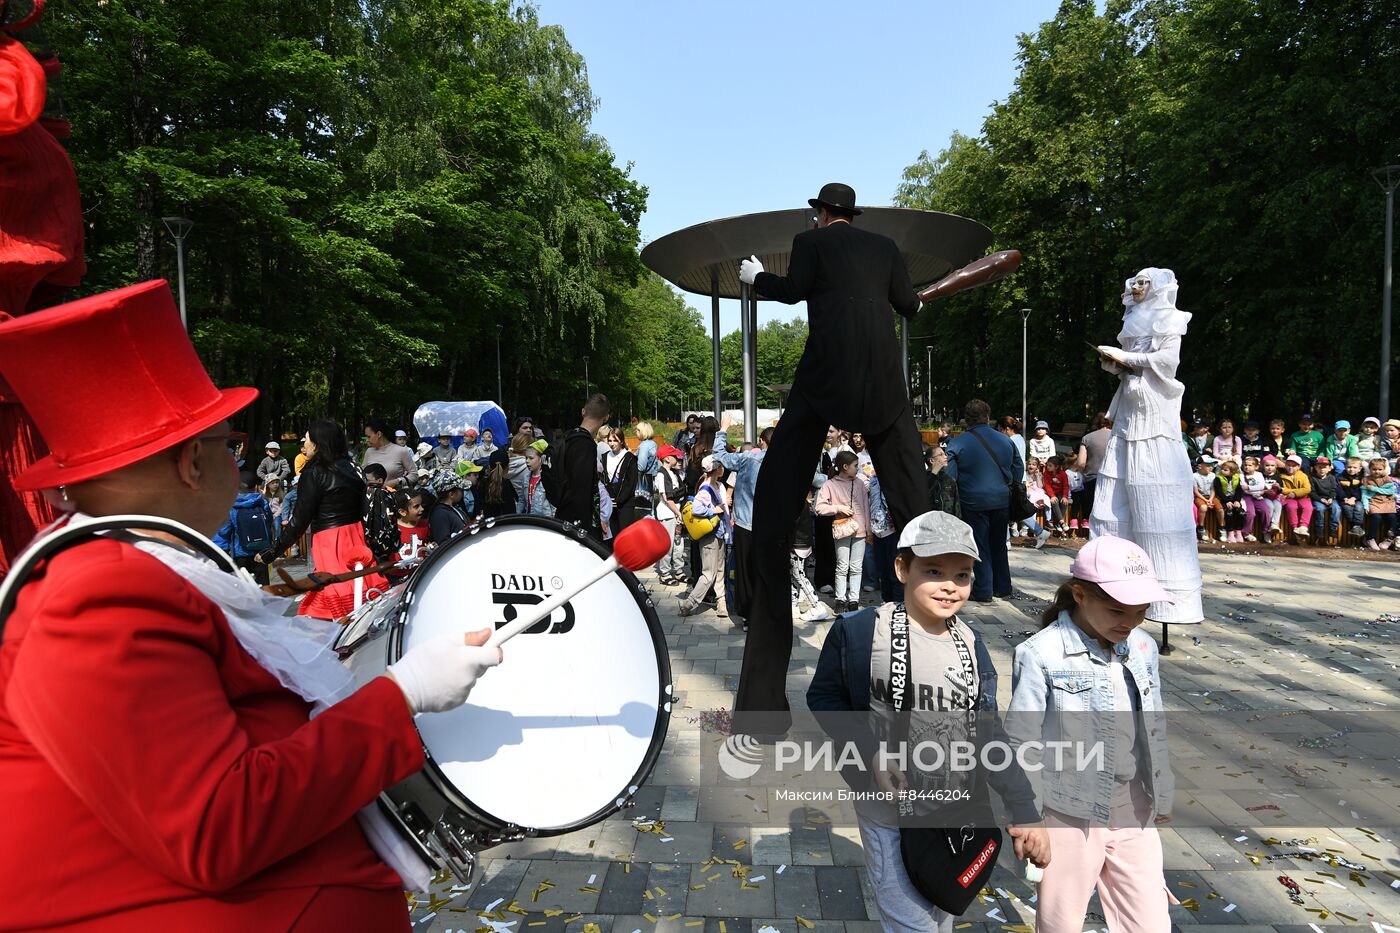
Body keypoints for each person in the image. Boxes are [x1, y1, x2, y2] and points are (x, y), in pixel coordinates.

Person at [0, 280, 503, 930]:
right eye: (226, 446)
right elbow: (214, 824)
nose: (235, 463)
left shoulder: (130, 573)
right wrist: (399, 693)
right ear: (191, 464)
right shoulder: (98, 597)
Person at [734, 182, 929, 736]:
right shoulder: (886, 249)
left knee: (774, 507)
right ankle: (935, 649)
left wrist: (757, 280)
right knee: (918, 505)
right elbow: (911, 305)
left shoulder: (810, 241)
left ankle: (763, 706)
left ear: (821, 214)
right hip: (884, 385)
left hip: (826, 376)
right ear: (853, 214)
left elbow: (794, 290)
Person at [807, 511, 1049, 933]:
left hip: (956, 813)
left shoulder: (972, 643)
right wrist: (870, 754)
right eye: (933, 570)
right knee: (912, 923)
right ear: (902, 568)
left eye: (963, 575)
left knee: (940, 914)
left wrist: (1024, 809)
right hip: (889, 813)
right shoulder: (863, 632)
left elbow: (989, 732)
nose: (949, 586)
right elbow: (824, 697)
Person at [1007, 535, 1174, 932]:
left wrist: (1161, 789)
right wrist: (1028, 817)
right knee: (1061, 922)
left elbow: (1154, 722)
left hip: (1133, 805)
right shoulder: (1041, 653)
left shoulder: (1144, 647)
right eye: (1117, 610)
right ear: (1080, 595)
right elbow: (1021, 741)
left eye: (1141, 612)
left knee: (1150, 922)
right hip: (1069, 811)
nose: (1130, 622)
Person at [1090, 267, 1203, 627]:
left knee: (1157, 504)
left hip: (1155, 411)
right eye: (1134, 282)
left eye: (1143, 283)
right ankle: (1109, 584)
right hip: (1129, 411)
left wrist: (1127, 359)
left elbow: (1166, 363)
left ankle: (1168, 600)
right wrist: (1116, 364)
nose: (1136, 288)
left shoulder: (1171, 319)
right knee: (1112, 503)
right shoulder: (1133, 320)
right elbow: (1132, 369)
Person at [260, 421, 389, 619]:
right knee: (360, 591)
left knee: (335, 595)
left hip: (331, 541)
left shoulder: (314, 472)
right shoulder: (353, 466)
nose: (305, 445)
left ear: (319, 443)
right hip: (356, 535)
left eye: (308, 440)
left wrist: (274, 550)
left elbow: (300, 520)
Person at [944, 399, 1023, 603]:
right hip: (1001, 499)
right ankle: (1003, 586)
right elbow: (1018, 469)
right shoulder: (1006, 440)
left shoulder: (958, 443)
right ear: (988, 417)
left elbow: (950, 475)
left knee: (980, 545)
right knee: (998, 544)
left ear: (966, 420)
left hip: (973, 501)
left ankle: (984, 589)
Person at [713, 420, 770, 623]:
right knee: (766, 571)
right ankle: (765, 613)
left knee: (745, 572)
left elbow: (720, 456)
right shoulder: (784, 461)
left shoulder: (748, 458)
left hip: (746, 523)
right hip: (771, 526)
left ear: (762, 442)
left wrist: (723, 431)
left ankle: (748, 615)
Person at [814, 450, 870, 614]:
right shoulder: (830, 484)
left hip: (859, 529)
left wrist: (868, 530)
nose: (857, 469)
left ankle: (854, 599)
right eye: (855, 466)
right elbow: (819, 507)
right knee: (842, 566)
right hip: (841, 529)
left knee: (856, 567)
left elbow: (865, 507)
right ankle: (840, 599)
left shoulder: (859, 483)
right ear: (845, 467)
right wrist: (838, 508)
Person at [678, 455, 729, 619]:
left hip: (719, 533)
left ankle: (722, 603)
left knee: (720, 570)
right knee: (709, 573)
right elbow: (697, 509)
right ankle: (689, 603)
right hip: (709, 535)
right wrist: (713, 511)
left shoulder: (717, 485)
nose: (724, 469)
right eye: (721, 466)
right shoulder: (706, 488)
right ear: (716, 469)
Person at [552, 394, 610, 537]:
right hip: (577, 526)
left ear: (583, 411)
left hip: (562, 516)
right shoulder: (585, 445)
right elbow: (581, 490)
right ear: (606, 418)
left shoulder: (568, 438)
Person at [213, 476, 278, 585]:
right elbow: (269, 521)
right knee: (264, 586)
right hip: (261, 551)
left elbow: (224, 531)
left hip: (240, 552)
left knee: (244, 587)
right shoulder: (262, 503)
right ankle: (266, 601)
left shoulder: (231, 505)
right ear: (256, 487)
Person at [653, 445, 687, 584]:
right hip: (668, 513)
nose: (677, 458)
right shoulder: (661, 474)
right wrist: (677, 513)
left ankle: (679, 570)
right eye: (674, 456)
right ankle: (665, 573)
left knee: (679, 543)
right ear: (667, 458)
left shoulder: (674, 472)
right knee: (668, 544)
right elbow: (667, 497)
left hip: (677, 512)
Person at [600, 426, 638, 537]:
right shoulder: (605, 456)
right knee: (611, 536)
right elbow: (604, 479)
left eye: (615, 440)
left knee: (625, 536)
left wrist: (619, 500)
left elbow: (631, 483)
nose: (612, 444)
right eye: (610, 441)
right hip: (609, 501)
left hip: (625, 503)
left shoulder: (630, 458)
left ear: (621, 440)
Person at [360, 419, 416, 488]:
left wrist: (397, 481)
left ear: (379, 434)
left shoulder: (401, 451)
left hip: (394, 496)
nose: (367, 440)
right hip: (371, 496)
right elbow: (361, 475)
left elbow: (414, 475)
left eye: (369, 437)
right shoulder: (369, 451)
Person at [1362, 457, 1397, 551]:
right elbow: (1364, 494)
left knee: (1392, 517)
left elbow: (1390, 491)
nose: (1377, 471)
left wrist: (1374, 489)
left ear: (1384, 469)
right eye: (1374, 469)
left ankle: (1389, 538)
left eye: (1380, 469)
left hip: (1387, 501)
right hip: (1374, 501)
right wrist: (1366, 506)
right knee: (1376, 517)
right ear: (1370, 469)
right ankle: (1370, 538)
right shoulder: (1366, 479)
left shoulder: (1387, 479)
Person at [428, 470, 471, 544]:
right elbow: (443, 543)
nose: (463, 492)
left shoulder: (453, 508)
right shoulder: (440, 514)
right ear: (451, 494)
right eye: (461, 489)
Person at [476, 448, 519, 519]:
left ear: (489, 466)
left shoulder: (482, 483)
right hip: (505, 525)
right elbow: (511, 509)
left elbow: (479, 507)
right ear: (507, 467)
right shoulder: (506, 484)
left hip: (488, 525)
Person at [1280, 454, 1314, 541]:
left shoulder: (1303, 476)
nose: (1290, 468)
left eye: (1294, 466)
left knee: (1308, 507)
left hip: (1303, 497)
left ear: (1299, 467)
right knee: (1291, 507)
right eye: (1288, 465)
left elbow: (1307, 489)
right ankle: (1295, 527)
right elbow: (1282, 489)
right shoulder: (1282, 476)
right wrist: (1290, 492)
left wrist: (1294, 493)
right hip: (1289, 498)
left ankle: (1303, 526)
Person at [1309, 457, 1341, 544]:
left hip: (1330, 498)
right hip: (1318, 499)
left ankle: (1333, 528)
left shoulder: (1332, 478)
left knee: (1336, 508)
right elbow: (1312, 492)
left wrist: (1331, 498)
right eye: (1319, 467)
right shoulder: (1312, 478)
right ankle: (1319, 530)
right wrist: (1320, 499)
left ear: (1329, 468)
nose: (1322, 469)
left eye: (1325, 467)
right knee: (1319, 509)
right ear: (1315, 468)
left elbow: (1334, 490)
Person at [1192, 455, 1222, 542]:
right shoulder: (1194, 476)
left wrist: (1211, 499)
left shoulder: (1213, 475)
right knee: (1203, 507)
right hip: (1200, 497)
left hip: (1211, 497)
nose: (1211, 467)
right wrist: (1206, 501)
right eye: (1208, 465)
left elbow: (1213, 489)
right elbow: (1196, 492)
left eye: (1212, 465)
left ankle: (1222, 527)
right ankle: (1201, 528)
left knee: (1220, 509)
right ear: (1200, 466)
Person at [1214, 459, 1246, 543]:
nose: (1222, 471)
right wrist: (1226, 501)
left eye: (1225, 470)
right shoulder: (1218, 478)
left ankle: (1238, 532)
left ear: (1232, 472)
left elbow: (1239, 490)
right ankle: (1230, 532)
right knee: (1229, 513)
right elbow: (1219, 491)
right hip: (1224, 499)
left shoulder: (1237, 477)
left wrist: (1237, 501)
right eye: (1222, 469)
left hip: (1234, 499)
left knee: (1240, 512)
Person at [633, 421, 660, 521]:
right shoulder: (653, 444)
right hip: (651, 478)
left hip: (643, 481)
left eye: (637, 430)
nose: (636, 432)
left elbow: (641, 466)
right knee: (650, 507)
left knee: (644, 509)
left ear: (642, 432)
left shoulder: (644, 446)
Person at [520, 443, 554, 517]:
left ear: (541, 459)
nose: (527, 461)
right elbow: (522, 501)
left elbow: (553, 505)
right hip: (530, 520)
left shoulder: (548, 479)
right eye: (526, 458)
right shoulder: (526, 478)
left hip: (545, 522)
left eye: (531, 458)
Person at [1240, 456, 1270, 542]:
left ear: (1256, 467)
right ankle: (1246, 532)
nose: (1247, 467)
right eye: (1245, 465)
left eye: (1250, 465)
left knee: (1265, 511)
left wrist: (1249, 487)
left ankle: (1266, 531)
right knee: (1250, 513)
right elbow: (1243, 488)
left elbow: (1261, 486)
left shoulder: (1259, 474)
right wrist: (1254, 489)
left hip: (1258, 496)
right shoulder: (1241, 475)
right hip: (1247, 497)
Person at [1042, 455, 1071, 535]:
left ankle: (1059, 523)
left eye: (1050, 465)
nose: (1047, 467)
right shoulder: (1046, 474)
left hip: (1060, 493)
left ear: (1056, 466)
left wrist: (1065, 496)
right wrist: (1052, 495)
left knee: (1064, 501)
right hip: (1050, 493)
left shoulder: (1063, 474)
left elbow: (1066, 486)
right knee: (1054, 501)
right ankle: (1062, 522)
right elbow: (1047, 486)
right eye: (1047, 465)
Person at [1339, 456, 1367, 537]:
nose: (1351, 469)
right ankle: (1355, 526)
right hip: (1344, 499)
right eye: (1349, 467)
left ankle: (1357, 525)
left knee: (1359, 507)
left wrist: (1354, 498)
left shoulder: (1361, 478)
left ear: (1360, 468)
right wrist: (1345, 498)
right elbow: (1338, 489)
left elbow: (1361, 489)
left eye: (1355, 467)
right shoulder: (1340, 477)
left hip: (1357, 499)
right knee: (1347, 508)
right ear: (1345, 467)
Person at [1258, 455, 1285, 537]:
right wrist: (1265, 490)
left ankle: (1273, 524)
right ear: (1263, 466)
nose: (1269, 468)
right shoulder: (1260, 476)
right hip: (1265, 497)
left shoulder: (1278, 477)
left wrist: (1278, 487)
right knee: (1270, 506)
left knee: (1278, 505)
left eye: (1272, 465)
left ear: (1276, 466)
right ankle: (1268, 527)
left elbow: (1281, 490)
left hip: (1275, 497)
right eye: (1267, 465)